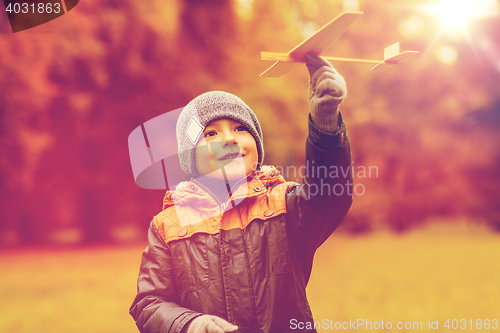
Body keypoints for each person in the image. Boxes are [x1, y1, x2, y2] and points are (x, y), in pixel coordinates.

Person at [129, 54, 353, 333]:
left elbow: (329, 195)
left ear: (256, 145)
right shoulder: (168, 226)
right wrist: (189, 324)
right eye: (211, 134)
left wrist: (326, 124)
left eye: (240, 128)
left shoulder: (284, 204)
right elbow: (149, 302)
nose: (230, 139)